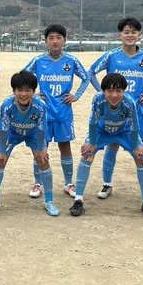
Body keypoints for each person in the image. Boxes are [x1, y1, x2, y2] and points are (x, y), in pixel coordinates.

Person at [88, 17, 143, 201]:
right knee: (112, 145)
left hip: (138, 111)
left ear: (139, 35)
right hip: (113, 111)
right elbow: (90, 72)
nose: (130, 35)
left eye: (134, 32)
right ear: (120, 35)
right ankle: (107, 184)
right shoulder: (111, 55)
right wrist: (102, 92)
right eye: (126, 32)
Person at [68, 73, 143, 220]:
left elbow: (134, 125)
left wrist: (136, 146)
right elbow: (93, 122)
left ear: (124, 91)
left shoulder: (129, 102)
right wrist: (91, 142)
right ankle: (78, 200)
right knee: (86, 155)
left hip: (124, 131)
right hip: (102, 131)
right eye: (110, 91)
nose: (114, 95)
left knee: (142, 158)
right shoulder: (98, 100)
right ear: (103, 91)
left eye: (119, 91)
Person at [24, 24, 89, 199]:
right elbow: (23, 76)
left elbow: (86, 78)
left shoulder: (71, 60)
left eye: (59, 38)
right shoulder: (38, 60)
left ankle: (68, 183)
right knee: (40, 148)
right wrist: (33, 94)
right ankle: (38, 183)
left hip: (63, 112)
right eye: (51, 38)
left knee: (65, 147)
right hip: (43, 114)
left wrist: (76, 95)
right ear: (45, 41)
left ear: (64, 40)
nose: (55, 41)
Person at [0, 70, 60, 217]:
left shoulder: (40, 106)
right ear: (14, 91)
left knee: (43, 160)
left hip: (33, 133)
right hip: (12, 133)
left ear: (34, 91)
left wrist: (41, 148)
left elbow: (41, 128)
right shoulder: (7, 105)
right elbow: (4, 129)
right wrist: (2, 150)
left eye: (28, 90)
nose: (23, 94)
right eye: (20, 90)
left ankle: (49, 201)